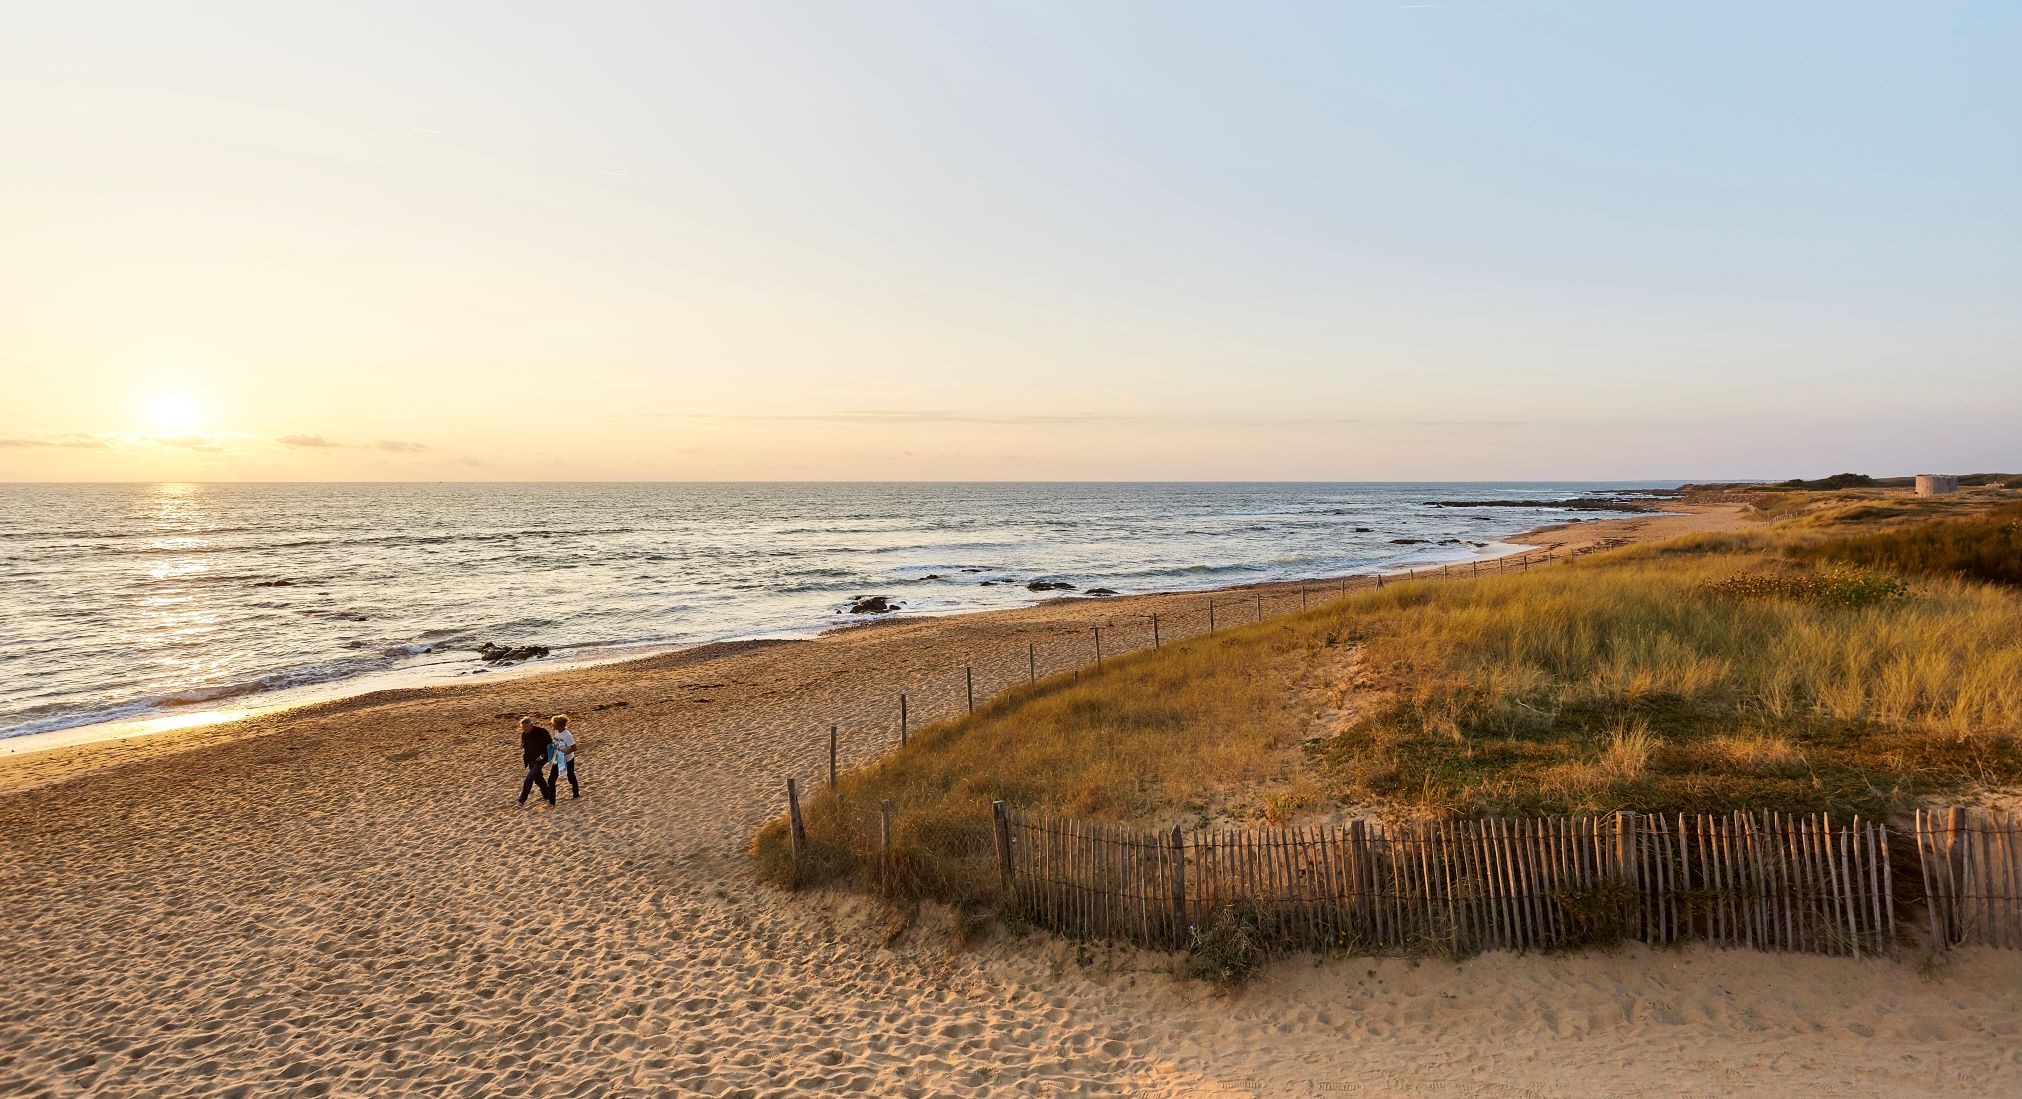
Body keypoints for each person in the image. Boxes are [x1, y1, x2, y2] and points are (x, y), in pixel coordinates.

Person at [518, 717, 556, 806]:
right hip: (531, 759)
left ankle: (521, 801)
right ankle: (547, 796)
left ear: (532, 725)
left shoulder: (541, 732)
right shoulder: (524, 734)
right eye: (523, 727)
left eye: (526, 726)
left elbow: (550, 745)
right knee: (538, 779)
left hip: (541, 759)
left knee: (529, 779)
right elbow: (525, 745)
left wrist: (543, 755)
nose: (524, 729)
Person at [547, 713, 581, 799]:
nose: (552, 725)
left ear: (559, 725)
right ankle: (551, 800)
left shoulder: (567, 735)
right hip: (558, 759)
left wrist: (562, 754)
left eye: (554, 724)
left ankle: (576, 794)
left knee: (570, 777)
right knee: (551, 779)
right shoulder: (557, 731)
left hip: (567, 760)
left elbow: (574, 748)